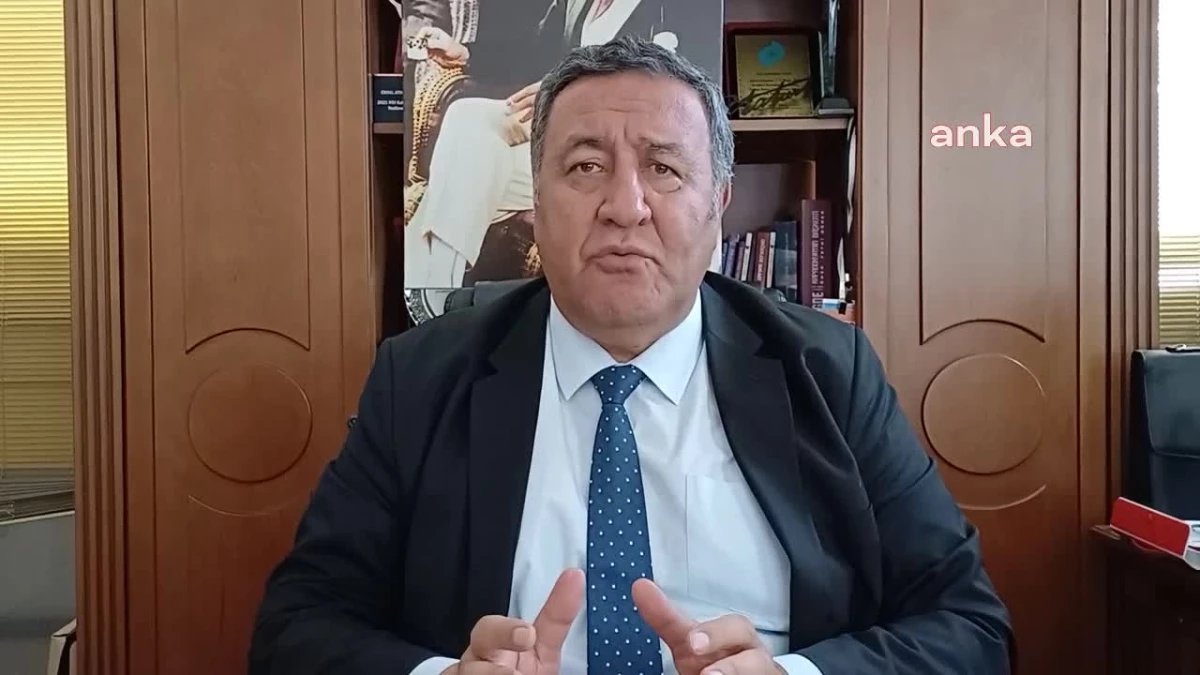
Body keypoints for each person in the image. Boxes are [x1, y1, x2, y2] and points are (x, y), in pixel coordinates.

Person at [249, 37, 1014, 675]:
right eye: (585, 167)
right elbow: (296, 627)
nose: (625, 206)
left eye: (664, 168)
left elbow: (970, 625)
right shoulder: (419, 379)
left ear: (717, 203)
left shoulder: (829, 371)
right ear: (536, 200)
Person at [404, 0, 711, 288]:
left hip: (609, 167)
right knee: (468, 120)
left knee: (467, 171)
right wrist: (463, 53)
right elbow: (533, 53)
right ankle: (438, 285)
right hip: (563, 142)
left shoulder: (670, 9)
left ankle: (432, 288)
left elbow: (676, 97)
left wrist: (570, 93)